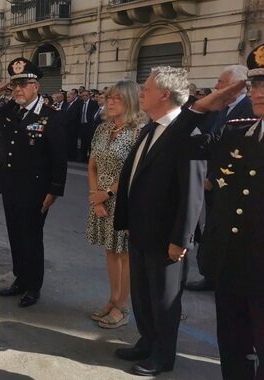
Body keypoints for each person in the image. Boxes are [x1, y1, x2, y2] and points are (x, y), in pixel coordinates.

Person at [167, 44, 264, 380]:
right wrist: (208, 103)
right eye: (256, 84)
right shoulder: (238, 132)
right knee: (234, 354)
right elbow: (179, 141)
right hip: (231, 267)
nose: (260, 93)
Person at [113, 67, 207, 376]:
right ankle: (146, 342)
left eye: (146, 89)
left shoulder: (186, 132)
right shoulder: (151, 127)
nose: (141, 93)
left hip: (166, 236)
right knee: (142, 294)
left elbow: (192, 193)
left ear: (165, 94)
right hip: (141, 229)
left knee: (164, 301)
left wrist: (181, 239)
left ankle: (163, 356)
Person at [0, 57, 67, 308]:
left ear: (36, 87)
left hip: (36, 189)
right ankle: (20, 279)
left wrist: (55, 190)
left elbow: (59, 158)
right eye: (14, 85)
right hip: (9, 185)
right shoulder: (11, 109)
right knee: (15, 234)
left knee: (32, 238)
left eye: (23, 85)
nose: (18, 90)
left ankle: (33, 286)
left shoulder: (51, 117)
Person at [186, 64, 256, 293]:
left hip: (231, 185)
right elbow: (210, 143)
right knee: (214, 228)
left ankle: (221, 275)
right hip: (215, 180)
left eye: (221, 83)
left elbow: (238, 155)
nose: (216, 87)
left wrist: (215, 178)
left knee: (226, 230)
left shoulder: (248, 108)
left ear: (238, 87)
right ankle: (211, 273)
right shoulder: (223, 108)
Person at [86, 80, 146, 329]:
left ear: (131, 101)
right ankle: (112, 299)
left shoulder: (139, 131)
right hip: (101, 198)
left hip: (124, 200)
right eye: (108, 98)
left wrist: (107, 194)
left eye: (117, 98)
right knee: (110, 251)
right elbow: (92, 165)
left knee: (124, 253)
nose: (110, 102)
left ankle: (123, 305)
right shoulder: (103, 129)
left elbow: (135, 171)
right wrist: (94, 195)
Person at [79, 90, 100, 162]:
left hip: (89, 125)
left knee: (90, 142)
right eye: (82, 96)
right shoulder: (80, 103)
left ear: (89, 96)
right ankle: (82, 157)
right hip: (82, 125)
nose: (84, 97)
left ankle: (90, 159)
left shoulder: (93, 103)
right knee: (83, 142)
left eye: (85, 95)